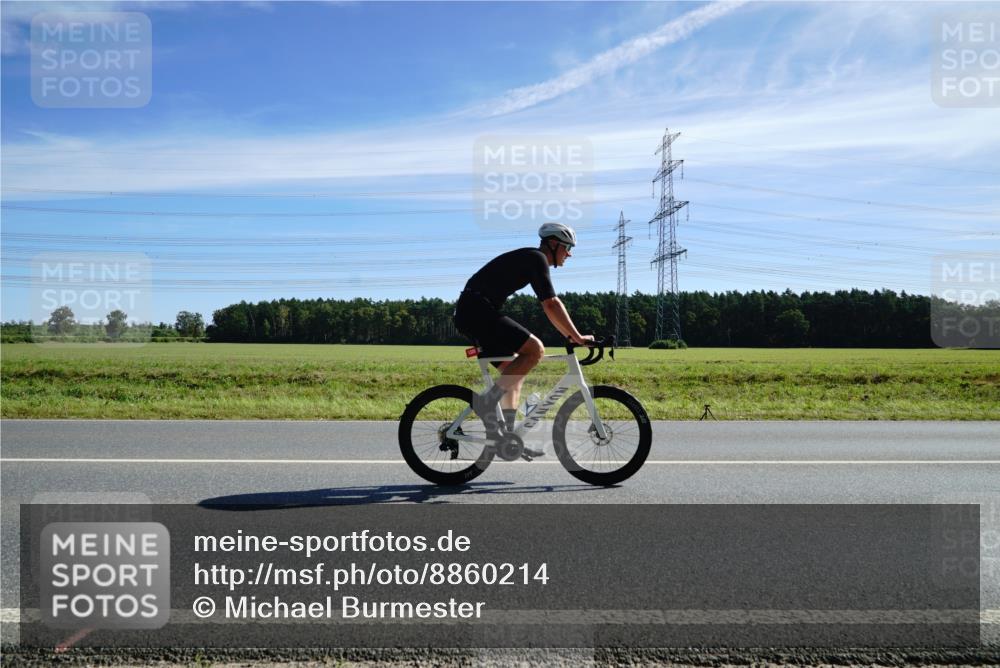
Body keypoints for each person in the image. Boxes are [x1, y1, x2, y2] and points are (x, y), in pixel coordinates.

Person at [453, 222, 595, 452]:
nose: (569, 254)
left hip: (474, 311)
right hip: (477, 310)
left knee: (514, 371)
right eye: (567, 248)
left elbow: (549, 307)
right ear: (553, 244)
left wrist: (569, 335)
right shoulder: (536, 258)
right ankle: (487, 405)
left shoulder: (532, 259)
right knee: (535, 349)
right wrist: (576, 337)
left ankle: (509, 437)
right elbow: (550, 303)